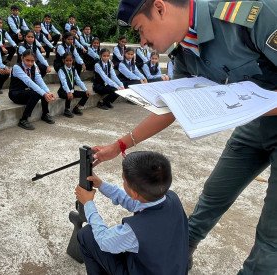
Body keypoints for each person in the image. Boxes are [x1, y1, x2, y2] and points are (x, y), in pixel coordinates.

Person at [94, 0, 277, 274]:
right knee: (213, 196)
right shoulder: (185, 53)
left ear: (159, 8)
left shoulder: (251, 14)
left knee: (271, 236)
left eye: (141, 30)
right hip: (254, 126)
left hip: (259, 114)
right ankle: (179, 255)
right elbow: (170, 109)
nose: (142, 42)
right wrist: (118, 145)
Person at [76, 151, 189, 274]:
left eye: (124, 180)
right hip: (171, 267)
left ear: (135, 193)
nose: (123, 182)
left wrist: (88, 203)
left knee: (86, 234)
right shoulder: (171, 197)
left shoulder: (134, 231)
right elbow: (135, 202)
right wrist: (101, 185)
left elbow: (104, 241)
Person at [9, 50, 55, 130]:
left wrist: (48, 92)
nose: (30, 63)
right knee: (38, 93)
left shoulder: (34, 67)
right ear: (22, 58)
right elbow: (28, 81)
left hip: (28, 92)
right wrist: (44, 94)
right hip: (16, 94)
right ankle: (23, 119)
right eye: (27, 60)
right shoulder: (17, 67)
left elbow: (39, 80)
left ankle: (45, 114)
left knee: (41, 92)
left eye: (32, 61)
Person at [57, 53, 90, 118]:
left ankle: (76, 108)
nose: (69, 62)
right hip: (63, 91)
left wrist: (85, 89)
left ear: (73, 60)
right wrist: (68, 92)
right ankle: (67, 110)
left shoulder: (73, 69)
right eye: (67, 60)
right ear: (63, 61)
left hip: (72, 91)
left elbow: (78, 81)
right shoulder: (61, 70)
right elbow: (64, 83)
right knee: (68, 95)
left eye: (70, 60)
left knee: (86, 94)